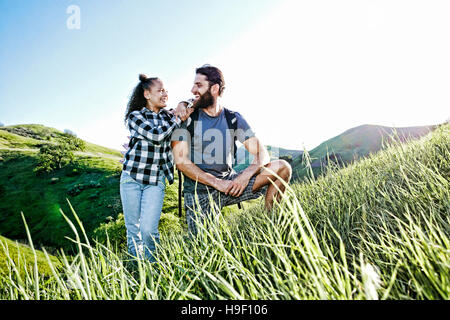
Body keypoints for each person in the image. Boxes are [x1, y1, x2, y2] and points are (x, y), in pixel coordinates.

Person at [171, 65, 292, 236]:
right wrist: (217, 183)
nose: (192, 90)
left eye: (198, 85)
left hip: (231, 185)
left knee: (282, 167)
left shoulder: (233, 118)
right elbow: (181, 163)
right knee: (205, 248)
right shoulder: (187, 117)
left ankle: (272, 228)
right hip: (199, 193)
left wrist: (244, 176)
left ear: (214, 89)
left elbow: (261, 153)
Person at [120, 74, 191, 262]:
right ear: (147, 94)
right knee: (133, 230)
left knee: (149, 229)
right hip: (132, 178)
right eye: (160, 90)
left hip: (156, 179)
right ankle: (136, 270)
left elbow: (190, 105)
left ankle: (154, 269)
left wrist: (183, 103)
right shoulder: (135, 117)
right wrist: (176, 120)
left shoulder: (169, 116)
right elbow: (156, 136)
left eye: (166, 90)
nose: (165, 94)